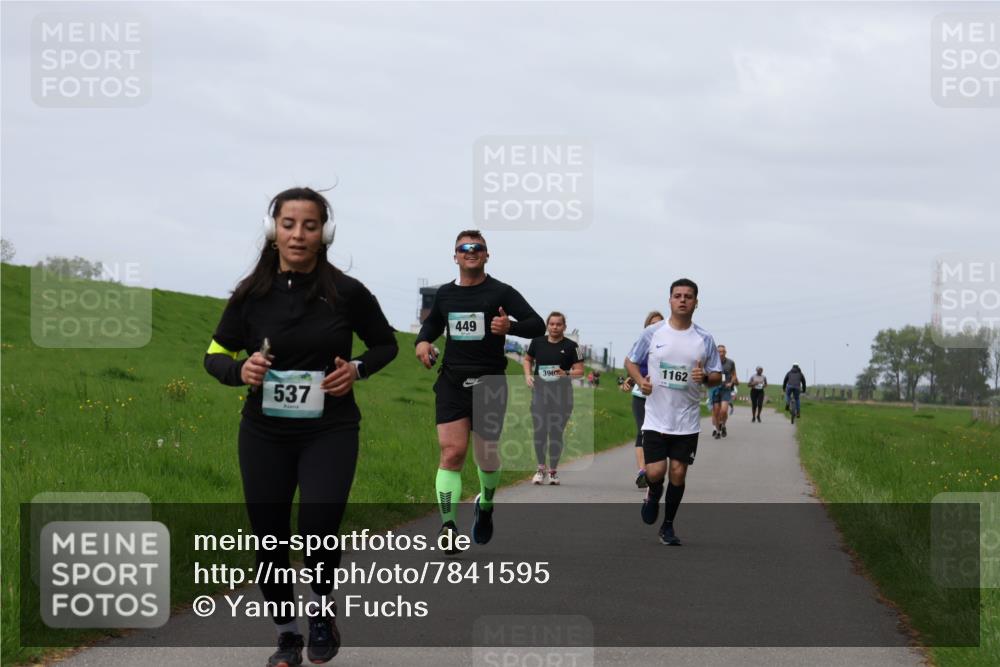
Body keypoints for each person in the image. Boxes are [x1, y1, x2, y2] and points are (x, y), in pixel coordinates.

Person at [204, 187, 398, 667]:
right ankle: (286, 635)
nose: (298, 234)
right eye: (288, 223)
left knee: (318, 526)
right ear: (274, 231)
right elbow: (213, 355)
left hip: (329, 430)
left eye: (309, 225)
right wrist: (239, 371)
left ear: (323, 233)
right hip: (264, 433)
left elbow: (385, 346)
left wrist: (355, 370)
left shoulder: (348, 293)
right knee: (269, 535)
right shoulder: (250, 295)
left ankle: (320, 612)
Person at [415, 230, 544, 551]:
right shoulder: (445, 294)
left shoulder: (501, 291)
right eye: (464, 248)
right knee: (452, 452)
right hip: (452, 381)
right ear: (455, 256)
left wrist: (510, 326)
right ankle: (447, 527)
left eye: (477, 248)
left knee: (486, 458)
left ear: (487, 255)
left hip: (489, 383)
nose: (470, 251)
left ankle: (485, 505)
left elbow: (537, 324)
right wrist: (422, 342)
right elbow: (432, 326)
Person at [625, 278, 722, 546]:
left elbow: (717, 376)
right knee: (655, 472)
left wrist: (705, 377)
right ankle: (654, 493)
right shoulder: (652, 333)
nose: (682, 300)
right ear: (669, 300)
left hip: (687, 420)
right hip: (656, 417)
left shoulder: (704, 339)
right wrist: (641, 380)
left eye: (688, 296)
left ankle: (667, 526)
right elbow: (630, 361)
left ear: (696, 303)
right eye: (677, 295)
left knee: (678, 473)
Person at [522, 312, 585, 485]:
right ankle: (540, 468)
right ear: (547, 325)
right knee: (540, 430)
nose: (555, 327)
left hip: (562, 396)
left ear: (564, 326)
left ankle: (553, 471)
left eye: (558, 324)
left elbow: (580, 371)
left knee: (556, 432)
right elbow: (527, 360)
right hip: (540, 393)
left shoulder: (572, 346)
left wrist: (566, 373)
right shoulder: (537, 342)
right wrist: (528, 375)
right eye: (552, 324)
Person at [619, 310, 665, 488]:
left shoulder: (670, 345)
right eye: (652, 324)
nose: (656, 327)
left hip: (661, 396)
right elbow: (632, 365)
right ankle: (643, 472)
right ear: (647, 327)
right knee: (642, 431)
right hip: (641, 394)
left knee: (658, 433)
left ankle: (655, 468)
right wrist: (630, 381)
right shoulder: (640, 344)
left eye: (660, 324)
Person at [710, 345, 738, 439]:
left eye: (723, 351)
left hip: (726, 389)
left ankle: (723, 425)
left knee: (724, 410)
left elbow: (734, 375)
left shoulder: (730, 362)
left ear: (725, 352)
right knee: (716, 411)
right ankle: (718, 431)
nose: (721, 353)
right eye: (719, 352)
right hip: (715, 389)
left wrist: (731, 383)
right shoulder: (712, 362)